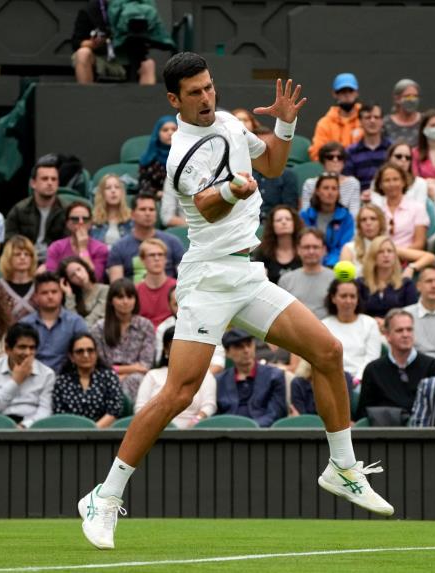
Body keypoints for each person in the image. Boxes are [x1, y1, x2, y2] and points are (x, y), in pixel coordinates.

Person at [81, 54, 393, 551]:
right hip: (207, 279)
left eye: (209, 88)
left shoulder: (226, 121)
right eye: (195, 93)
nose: (207, 99)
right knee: (179, 393)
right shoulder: (181, 153)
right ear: (173, 100)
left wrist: (285, 123)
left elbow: (270, 162)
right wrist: (231, 186)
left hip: (246, 273)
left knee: (329, 353)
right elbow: (207, 203)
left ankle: (342, 467)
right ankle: (104, 494)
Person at [355, 309, 435, 423]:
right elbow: (363, 414)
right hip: (384, 434)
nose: (405, 335)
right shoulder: (373, 370)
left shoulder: (432, 367)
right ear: (387, 335)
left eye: (409, 329)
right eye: (399, 330)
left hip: (423, 434)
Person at [0, 323, 55, 428]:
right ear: (7, 349)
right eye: (22, 347)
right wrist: (15, 382)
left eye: (32, 348)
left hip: (31, 430)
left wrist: (24, 426)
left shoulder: (47, 374)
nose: (27, 353)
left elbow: (45, 411)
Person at [137, 327, 216, 428]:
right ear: (166, 350)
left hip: (194, 433)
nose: (181, 352)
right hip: (155, 430)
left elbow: (209, 406)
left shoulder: (205, 374)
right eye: (175, 347)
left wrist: (195, 422)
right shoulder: (152, 375)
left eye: (186, 347)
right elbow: (140, 408)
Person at [91, 278, 154, 400]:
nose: (125, 302)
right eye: (120, 297)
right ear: (111, 301)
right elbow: (98, 365)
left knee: (135, 380)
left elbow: (145, 365)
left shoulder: (146, 326)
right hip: (106, 376)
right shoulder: (98, 328)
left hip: (137, 377)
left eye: (130, 297)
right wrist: (129, 369)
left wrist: (121, 372)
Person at [70, 0, 156, 85]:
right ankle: (86, 95)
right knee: (83, 53)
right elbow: (77, 42)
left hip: (127, 60)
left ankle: (144, 98)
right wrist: (94, 43)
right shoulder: (91, 9)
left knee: (149, 64)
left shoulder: (137, 8)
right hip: (101, 58)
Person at [214, 329, 286, 427]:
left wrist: (248, 427)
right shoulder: (219, 381)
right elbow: (215, 417)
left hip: (262, 435)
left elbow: (276, 414)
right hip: (227, 435)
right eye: (239, 346)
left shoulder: (274, 376)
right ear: (227, 352)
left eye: (249, 344)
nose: (246, 350)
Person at [106, 194, 185, 283]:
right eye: (143, 209)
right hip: (133, 295)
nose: (148, 213)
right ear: (132, 214)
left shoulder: (173, 243)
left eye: (151, 209)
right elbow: (116, 286)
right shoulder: (119, 247)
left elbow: (185, 279)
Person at [20, 272, 89, 373]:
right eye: (44, 293)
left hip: (68, 378)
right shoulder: (25, 324)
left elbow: (84, 353)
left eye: (54, 292)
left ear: (61, 294)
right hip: (32, 377)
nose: (50, 296)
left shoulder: (76, 322)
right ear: (35, 297)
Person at [53, 333, 124, 428]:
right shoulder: (61, 381)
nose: (86, 355)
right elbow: (59, 415)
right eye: (80, 351)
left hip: (103, 434)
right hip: (69, 435)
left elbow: (114, 411)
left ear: (96, 353)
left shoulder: (109, 377)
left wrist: (91, 432)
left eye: (90, 350)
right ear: (71, 357)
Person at [5, 160, 67, 262]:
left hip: (56, 262)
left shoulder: (66, 210)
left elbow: (68, 245)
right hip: (24, 260)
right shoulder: (19, 210)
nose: (50, 183)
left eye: (54, 179)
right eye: (44, 179)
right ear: (33, 183)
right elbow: (10, 241)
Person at [321, 279, 382, 379]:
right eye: (343, 296)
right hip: (333, 380)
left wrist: (357, 379)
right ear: (333, 298)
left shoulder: (370, 323)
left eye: (352, 296)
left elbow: (372, 359)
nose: (348, 301)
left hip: (363, 381)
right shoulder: (324, 325)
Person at [356, 236, 424, 324]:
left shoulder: (406, 284)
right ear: (373, 256)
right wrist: (373, 322)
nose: (386, 255)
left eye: (389, 251)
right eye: (380, 252)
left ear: (395, 256)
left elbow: (411, 315)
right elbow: (357, 314)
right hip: (367, 329)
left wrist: (386, 323)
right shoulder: (361, 284)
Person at [278, 229, 336, 320]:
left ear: (324, 250)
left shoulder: (335, 279)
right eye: (306, 247)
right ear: (298, 250)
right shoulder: (286, 280)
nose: (311, 251)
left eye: (315, 247)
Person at [368, 164, 428, 251]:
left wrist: (395, 253)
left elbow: (419, 244)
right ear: (380, 185)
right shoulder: (375, 211)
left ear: (403, 182)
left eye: (395, 179)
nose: (391, 184)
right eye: (387, 180)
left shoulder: (418, 208)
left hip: (409, 256)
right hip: (381, 257)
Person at [300, 173, 355, 266]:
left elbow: (344, 247)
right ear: (317, 191)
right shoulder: (305, 216)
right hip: (309, 262)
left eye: (334, 188)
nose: (330, 192)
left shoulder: (347, 217)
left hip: (336, 264)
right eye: (326, 188)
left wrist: (327, 263)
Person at [45, 202, 109, 279]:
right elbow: (51, 277)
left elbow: (95, 278)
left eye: (85, 219)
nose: (81, 222)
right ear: (67, 223)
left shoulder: (100, 248)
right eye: (75, 219)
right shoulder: (56, 247)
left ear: (90, 223)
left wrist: (83, 249)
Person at [308, 72, 362, 161]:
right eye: (342, 91)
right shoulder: (324, 123)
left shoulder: (367, 119)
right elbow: (316, 153)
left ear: (356, 93)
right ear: (335, 94)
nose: (347, 94)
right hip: (334, 168)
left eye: (350, 90)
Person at [299, 142, 361, 216]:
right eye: (330, 157)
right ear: (323, 161)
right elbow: (305, 213)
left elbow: (354, 214)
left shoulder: (353, 183)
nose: (335, 160)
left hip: (345, 225)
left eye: (340, 157)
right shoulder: (310, 183)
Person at [344, 102, 391, 191]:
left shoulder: (392, 149)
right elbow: (348, 184)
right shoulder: (350, 152)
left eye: (376, 117)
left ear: (382, 121)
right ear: (360, 122)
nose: (372, 121)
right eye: (368, 117)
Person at [252, 205, 302, 284]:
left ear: (294, 223)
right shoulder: (263, 253)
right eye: (279, 220)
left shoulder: (304, 249)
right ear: (272, 225)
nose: (284, 222)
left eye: (288, 219)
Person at [134, 238, 176, 328]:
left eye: (160, 254)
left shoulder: (177, 288)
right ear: (142, 260)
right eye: (152, 255)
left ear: (166, 259)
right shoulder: (135, 291)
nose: (157, 258)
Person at [59, 256, 110, 328]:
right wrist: (69, 295)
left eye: (79, 269)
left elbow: (93, 319)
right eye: (73, 275)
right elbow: (71, 321)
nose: (79, 275)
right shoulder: (73, 298)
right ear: (69, 281)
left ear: (85, 267)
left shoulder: (105, 290)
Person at [0, 236, 38, 321]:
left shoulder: (40, 285)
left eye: (27, 254)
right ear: (8, 258)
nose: (22, 257)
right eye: (17, 254)